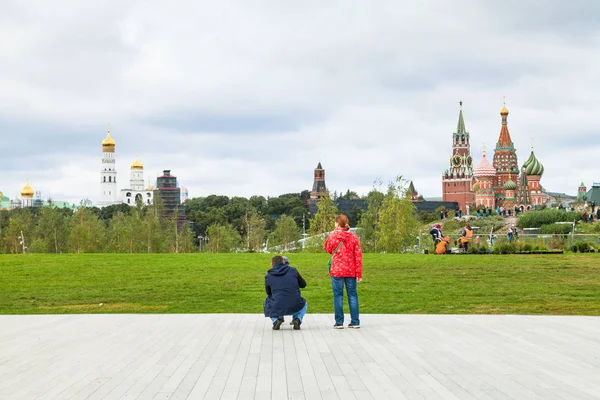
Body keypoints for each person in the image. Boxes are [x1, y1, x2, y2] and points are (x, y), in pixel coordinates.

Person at [324, 214, 363, 329]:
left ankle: (339, 322)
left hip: (337, 271)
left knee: (338, 296)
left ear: (337, 223)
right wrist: (359, 273)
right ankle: (355, 321)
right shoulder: (354, 237)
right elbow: (358, 255)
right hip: (351, 270)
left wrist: (333, 233)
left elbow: (328, 249)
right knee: (352, 295)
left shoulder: (333, 236)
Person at [264, 255, 307, 330]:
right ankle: (297, 319)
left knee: (268, 301)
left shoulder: (268, 275)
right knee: (304, 303)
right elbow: (303, 285)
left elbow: (268, 292)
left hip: (278, 304)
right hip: (295, 303)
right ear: (283, 262)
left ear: (272, 264)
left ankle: (276, 320)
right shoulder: (293, 270)